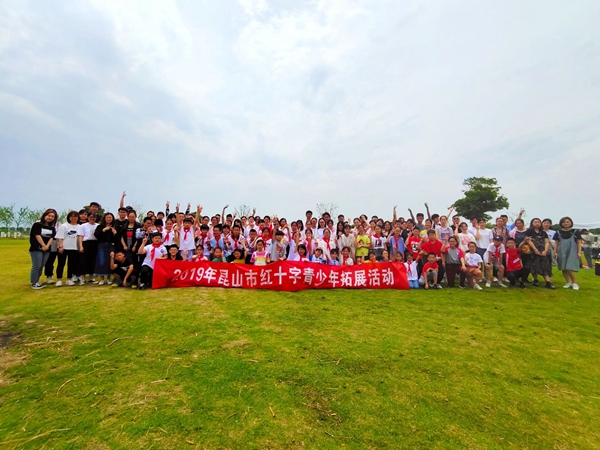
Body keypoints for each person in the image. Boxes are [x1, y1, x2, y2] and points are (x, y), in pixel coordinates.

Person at [29, 209, 57, 289]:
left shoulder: (52, 228)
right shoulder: (37, 225)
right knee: (36, 266)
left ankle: (37, 281)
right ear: (44, 215)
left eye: (52, 216)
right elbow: (37, 235)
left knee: (41, 266)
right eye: (49, 215)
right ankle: (34, 282)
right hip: (37, 248)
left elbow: (51, 238)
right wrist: (43, 245)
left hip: (47, 249)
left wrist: (47, 246)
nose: (50, 217)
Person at [524, 218, 555, 289]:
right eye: (535, 222)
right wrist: (535, 250)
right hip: (533, 251)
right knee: (534, 265)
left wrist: (545, 251)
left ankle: (548, 282)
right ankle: (535, 280)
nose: (537, 223)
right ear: (532, 223)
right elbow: (528, 241)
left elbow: (546, 242)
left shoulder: (543, 232)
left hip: (543, 251)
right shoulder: (529, 231)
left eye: (538, 222)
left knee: (545, 266)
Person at [555, 216, 583, 290]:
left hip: (572, 250)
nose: (566, 223)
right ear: (561, 223)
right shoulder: (558, 232)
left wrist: (579, 252)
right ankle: (568, 282)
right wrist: (555, 252)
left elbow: (579, 242)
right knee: (563, 267)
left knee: (569, 267)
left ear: (571, 223)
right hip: (561, 250)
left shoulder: (576, 232)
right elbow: (556, 243)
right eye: (564, 222)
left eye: (567, 222)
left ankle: (574, 283)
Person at [55, 211, 80, 286]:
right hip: (64, 247)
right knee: (61, 264)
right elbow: (60, 237)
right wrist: (60, 246)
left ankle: (69, 279)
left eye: (75, 216)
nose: (73, 218)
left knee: (71, 264)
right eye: (72, 216)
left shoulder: (79, 227)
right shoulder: (64, 226)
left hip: (74, 248)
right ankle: (59, 279)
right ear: (69, 217)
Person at [94, 212, 118, 285]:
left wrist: (115, 233)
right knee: (101, 261)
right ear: (104, 218)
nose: (108, 219)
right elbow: (96, 235)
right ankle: (101, 279)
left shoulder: (114, 226)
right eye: (107, 217)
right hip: (102, 245)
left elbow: (117, 239)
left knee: (110, 261)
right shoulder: (100, 226)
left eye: (110, 217)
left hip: (111, 245)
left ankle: (108, 278)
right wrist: (104, 230)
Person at [77, 213, 99, 285]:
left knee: (93, 261)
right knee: (83, 260)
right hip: (86, 243)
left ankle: (91, 278)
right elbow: (80, 236)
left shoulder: (98, 226)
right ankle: (82, 278)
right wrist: (81, 246)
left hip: (95, 243)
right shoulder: (83, 226)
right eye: (90, 217)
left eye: (94, 217)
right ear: (88, 218)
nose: (92, 219)